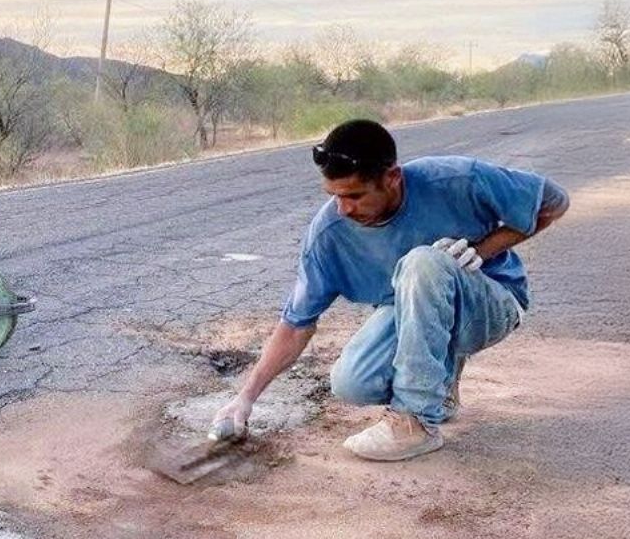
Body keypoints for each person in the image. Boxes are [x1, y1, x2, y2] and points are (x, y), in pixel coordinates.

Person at [209, 119, 570, 461]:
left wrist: (482, 250)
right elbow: (295, 324)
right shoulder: (329, 235)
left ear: (392, 177)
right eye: (335, 195)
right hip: (413, 312)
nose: (343, 208)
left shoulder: (456, 178)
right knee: (352, 382)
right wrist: (245, 398)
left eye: (355, 195)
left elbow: (554, 202)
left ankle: (414, 421)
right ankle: (439, 386)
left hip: (493, 304)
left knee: (423, 262)